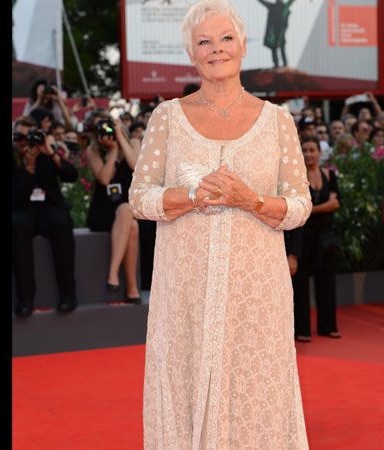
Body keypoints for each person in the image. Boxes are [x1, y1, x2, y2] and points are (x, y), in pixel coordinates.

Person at [129, 1, 312, 447]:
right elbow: (139, 198)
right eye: (204, 42)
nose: (216, 50)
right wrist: (191, 197)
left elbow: (301, 204)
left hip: (258, 293)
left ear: (244, 45)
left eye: (225, 38)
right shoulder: (167, 118)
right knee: (185, 384)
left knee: (256, 389)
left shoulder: (278, 121)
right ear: (191, 54)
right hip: (185, 291)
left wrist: (250, 200)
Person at [12, 115, 79, 316]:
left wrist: (51, 153)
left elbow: (71, 175)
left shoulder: (46, 153)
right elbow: (15, 197)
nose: (24, 142)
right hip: (24, 209)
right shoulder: (13, 158)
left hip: (50, 208)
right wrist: (29, 168)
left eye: (28, 137)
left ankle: (68, 296)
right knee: (15, 225)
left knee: (61, 222)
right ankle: (25, 299)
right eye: (19, 137)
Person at [84, 112, 141, 304]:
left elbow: (137, 167)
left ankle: (118, 278)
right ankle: (126, 283)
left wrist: (120, 140)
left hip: (125, 210)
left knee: (128, 216)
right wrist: (113, 151)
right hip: (102, 211)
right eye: (100, 128)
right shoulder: (93, 150)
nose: (104, 132)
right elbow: (105, 178)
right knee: (129, 218)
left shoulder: (133, 143)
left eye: (108, 126)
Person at [293, 136, 341, 342]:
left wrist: (310, 209)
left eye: (312, 150)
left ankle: (327, 326)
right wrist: (324, 207)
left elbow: (336, 204)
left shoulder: (329, 176)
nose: (308, 154)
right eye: (305, 150)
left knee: (327, 283)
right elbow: (299, 207)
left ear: (320, 153)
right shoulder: (296, 177)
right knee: (300, 285)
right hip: (303, 237)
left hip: (325, 238)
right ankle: (302, 330)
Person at [257, 0, 296, 68]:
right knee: (279, 48)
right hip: (278, 32)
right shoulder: (283, 6)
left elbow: (263, 2)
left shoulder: (273, 6)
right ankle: (282, 64)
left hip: (276, 33)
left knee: (277, 48)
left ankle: (280, 64)